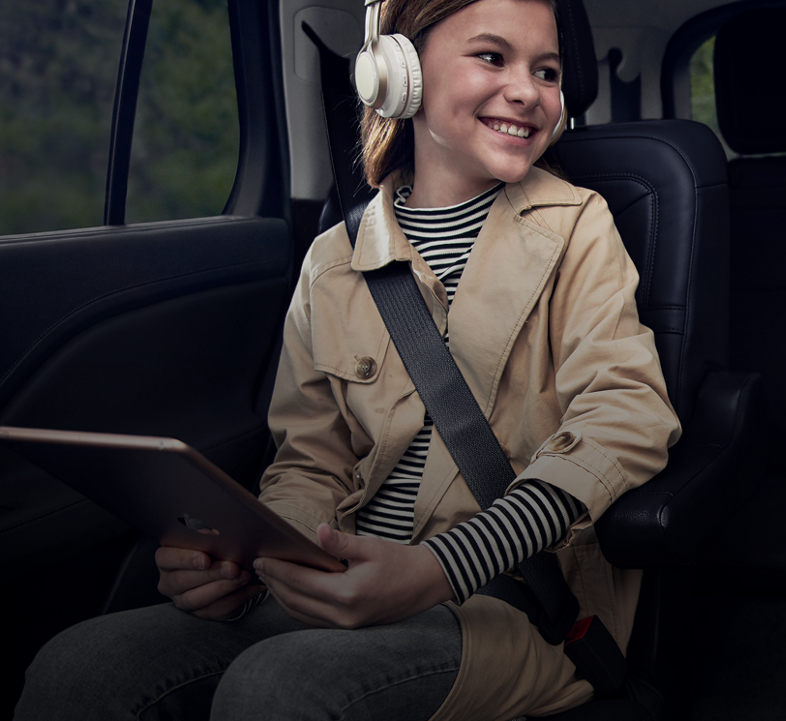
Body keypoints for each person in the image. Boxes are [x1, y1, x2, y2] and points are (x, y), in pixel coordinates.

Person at [15, 0, 680, 718]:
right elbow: (310, 459)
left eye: (546, 71)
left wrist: (439, 566)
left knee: (278, 687)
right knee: (78, 666)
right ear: (397, 72)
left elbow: (626, 413)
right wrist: (252, 560)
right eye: (492, 57)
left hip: (517, 600)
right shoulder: (333, 261)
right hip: (337, 580)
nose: (528, 89)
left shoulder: (579, 224)